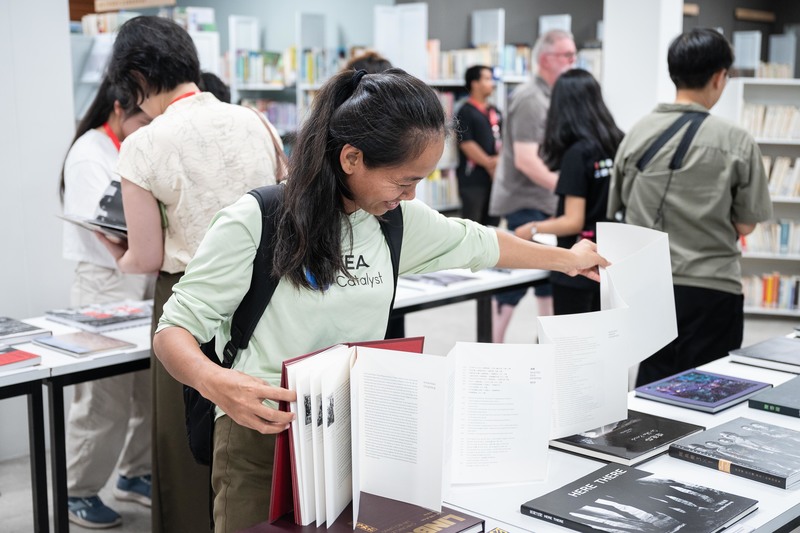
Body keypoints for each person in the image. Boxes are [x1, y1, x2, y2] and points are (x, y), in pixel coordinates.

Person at [152, 68, 609, 533]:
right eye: (403, 181)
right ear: (352, 157)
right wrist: (216, 384)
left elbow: (481, 244)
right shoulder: (258, 218)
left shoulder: (395, 222)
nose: (411, 196)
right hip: (262, 436)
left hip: (355, 434)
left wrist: (566, 260)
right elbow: (173, 331)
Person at [99, 15, 284, 533]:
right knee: (255, 424)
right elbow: (284, 200)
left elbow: (148, 256)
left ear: (136, 76)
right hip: (266, 291)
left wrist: (113, 253)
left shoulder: (144, 144)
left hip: (189, 301)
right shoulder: (256, 120)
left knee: (185, 443)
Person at [608, 28, 772, 387]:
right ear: (718, 77)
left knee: (651, 385)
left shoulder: (636, 134)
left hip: (648, 283)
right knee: (707, 389)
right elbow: (746, 226)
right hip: (711, 287)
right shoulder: (737, 140)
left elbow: (617, 206)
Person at [59, 78, 154, 529]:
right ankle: (78, 490)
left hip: (139, 276)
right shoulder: (89, 151)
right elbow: (107, 222)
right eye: (141, 118)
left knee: (144, 392)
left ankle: (135, 474)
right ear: (118, 109)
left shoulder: (128, 146)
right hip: (103, 281)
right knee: (103, 397)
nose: (145, 127)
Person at [488, 29, 577, 341]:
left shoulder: (551, 97)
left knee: (545, 279)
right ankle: (493, 344)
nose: (573, 61)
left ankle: (546, 345)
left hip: (542, 202)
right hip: (526, 202)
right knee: (515, 282)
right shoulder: (530, 98)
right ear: (545, 59)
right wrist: (567, 187)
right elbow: (527, 160)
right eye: (566, 55)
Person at [514, 69, 624, 315]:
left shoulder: (578, 153)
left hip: (579, 264)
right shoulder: (618, 143)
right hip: (613, 257)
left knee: (575, 347)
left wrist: (532, 228)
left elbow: (573, 221)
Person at [456, 65, 501, 226]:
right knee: (473, 223)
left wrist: (499, 160)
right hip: (473, 179)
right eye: (487, 79)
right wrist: (489, 163)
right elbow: (466, 144)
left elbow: (502, 139)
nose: (492, 83)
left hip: (495, 179)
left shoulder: (495, 110)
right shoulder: (465, 111)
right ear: (475, 83)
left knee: (493, 224)